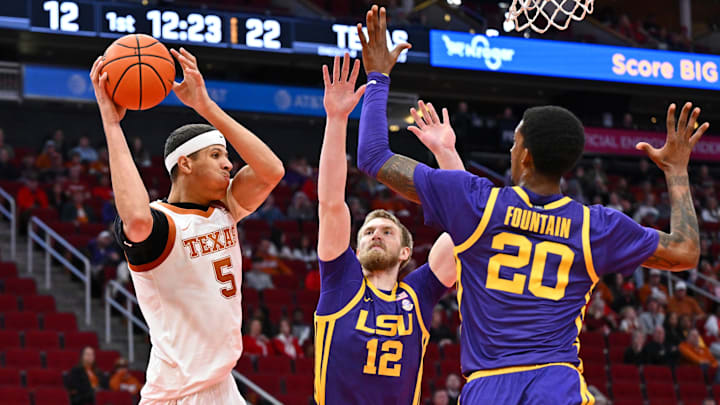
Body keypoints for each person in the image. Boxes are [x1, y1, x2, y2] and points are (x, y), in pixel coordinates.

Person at [355, 6, 706, 403]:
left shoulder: (476, 202)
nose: (511, 146)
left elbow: (372, 155)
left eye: (515, 140)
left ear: (523, 156)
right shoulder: (595, 227)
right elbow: (684, 252)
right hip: (556, 385)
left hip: (488, 387)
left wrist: (378, 75)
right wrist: (676, 171)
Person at [91, 46, 284, 405]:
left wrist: (205, 106)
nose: (229, 165)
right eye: (216, 155)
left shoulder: (225, 207)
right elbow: (134, 218)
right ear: (185, 164)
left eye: (227, 155)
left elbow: (271, 171)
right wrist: (112, 123)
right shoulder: (161, 226)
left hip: (223, 385)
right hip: (179, 393)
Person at [313, 54, 457, 405]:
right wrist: (336, 119)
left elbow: (465, 229)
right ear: (356, 248)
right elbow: (331, 202)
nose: (375, 233)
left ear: (406, 252)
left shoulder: (419, 293)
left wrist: (447, 153)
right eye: (367, 231)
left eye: (387, 231)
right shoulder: (341, 279)